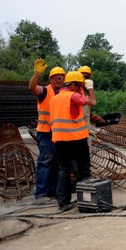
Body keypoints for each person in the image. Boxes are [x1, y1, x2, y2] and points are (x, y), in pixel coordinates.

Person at [50, 70, 96, 211]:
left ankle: (63, 203)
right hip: (77, 139)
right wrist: (90, 88)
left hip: (59, 140)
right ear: (74, 85)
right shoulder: (74, 96)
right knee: (83, 170)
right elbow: (92, 102)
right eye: (80, 86)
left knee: (63, 170)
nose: (80, 88)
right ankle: (87, 200)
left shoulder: (54, 98)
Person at [28, 58, 65, 200]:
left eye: (61, 77)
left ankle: (53, 191)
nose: (59, 80)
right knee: (45, 162)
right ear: (51, 79)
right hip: (46, 133)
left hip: (60, 133)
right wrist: (37, 74)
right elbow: (32, 88)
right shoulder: (44, 91)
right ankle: (41, 193)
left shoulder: (64, 93)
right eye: (56, 77)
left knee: (57, 163)